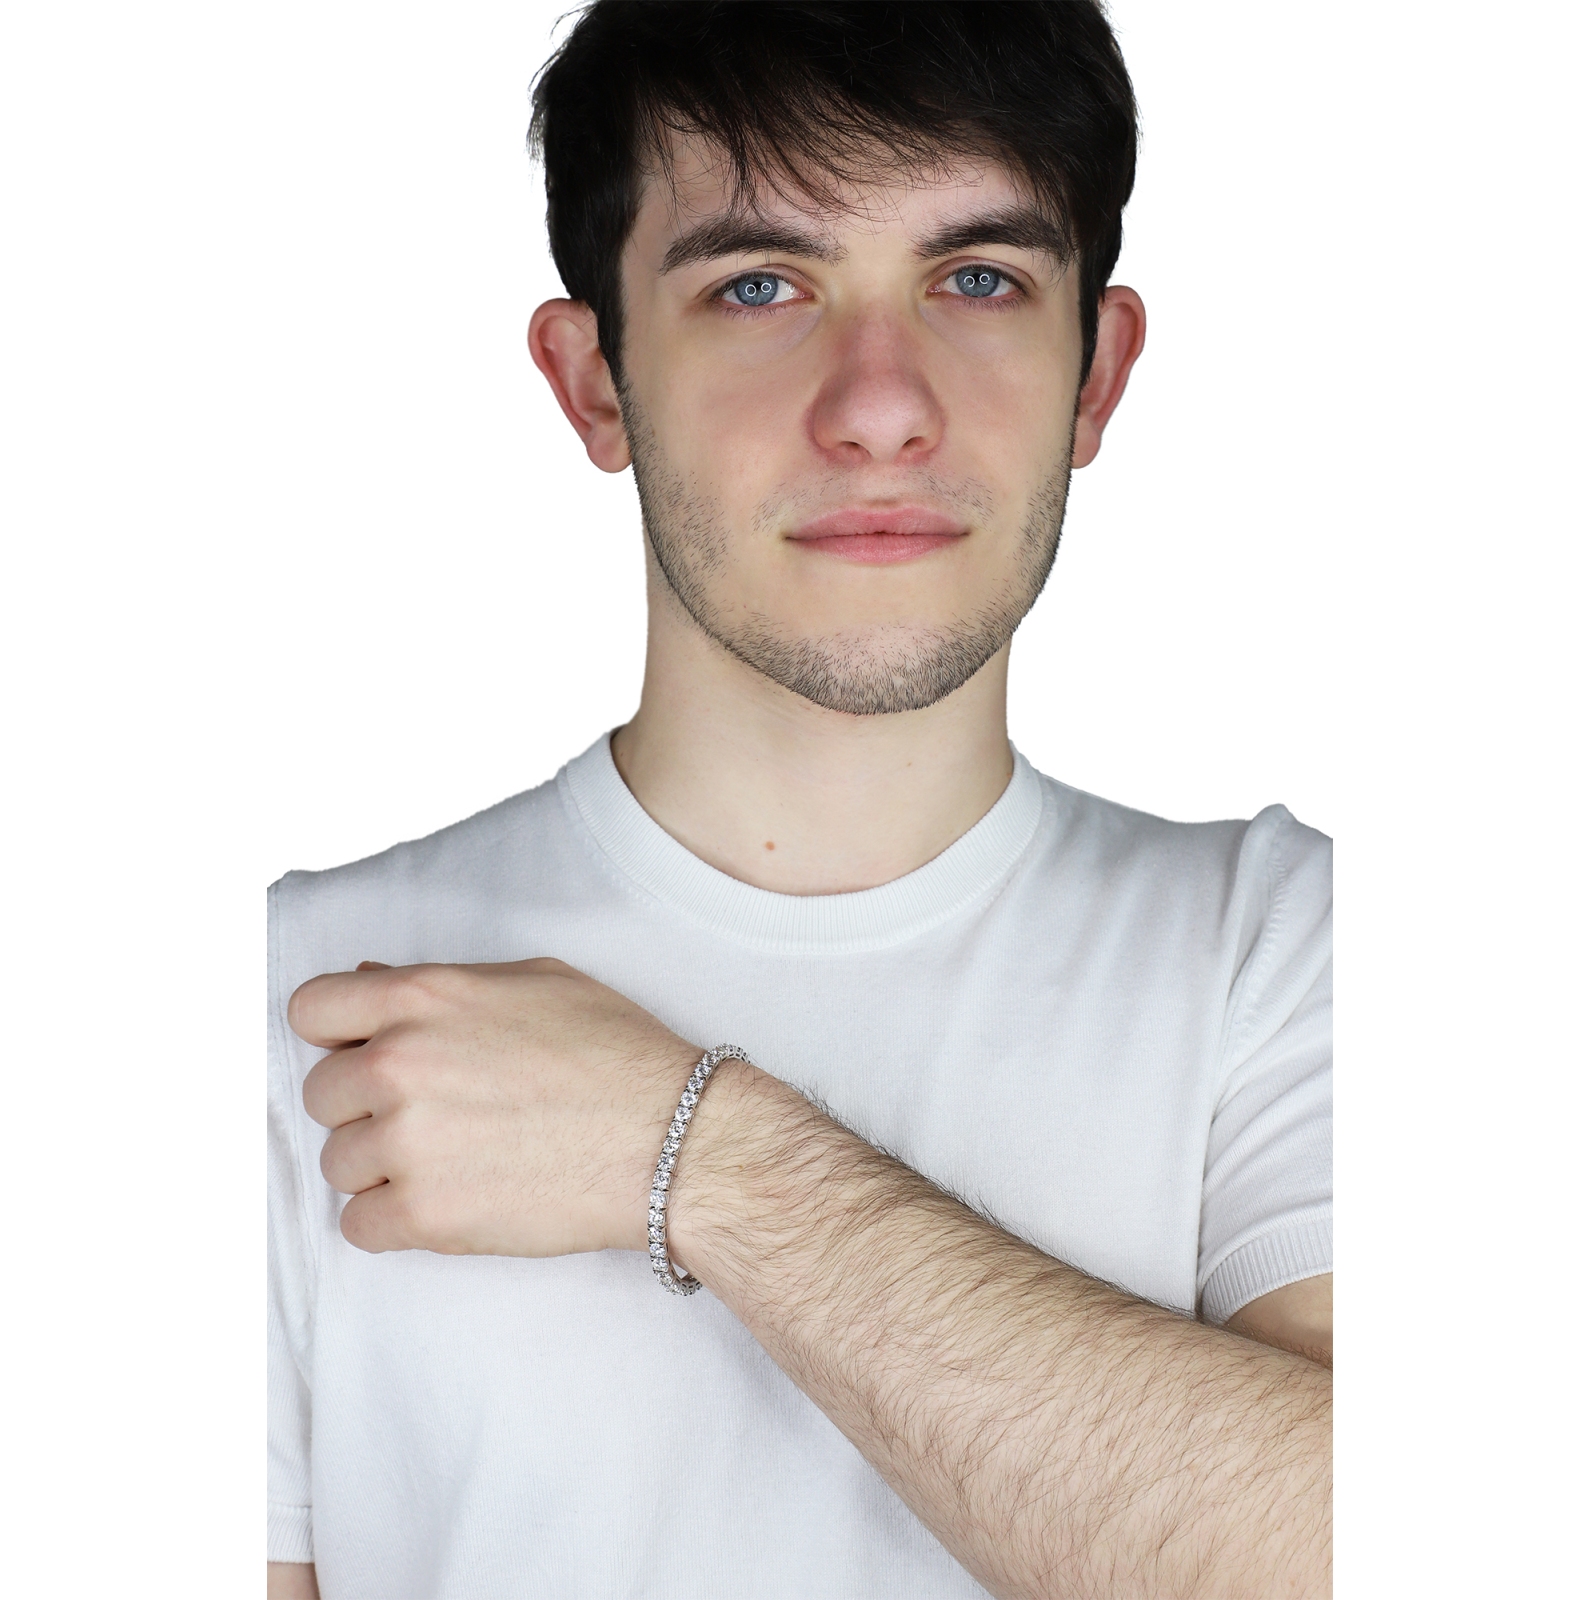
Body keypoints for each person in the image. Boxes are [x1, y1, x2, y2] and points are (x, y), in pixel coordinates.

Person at [267, 3, 1332, 1595]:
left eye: (978, 279)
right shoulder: (282, 1002)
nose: (881, 405)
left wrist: (694, 1156)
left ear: (1096, 375)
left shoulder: (1293, 953)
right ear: (596, 383)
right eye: (760, 285)